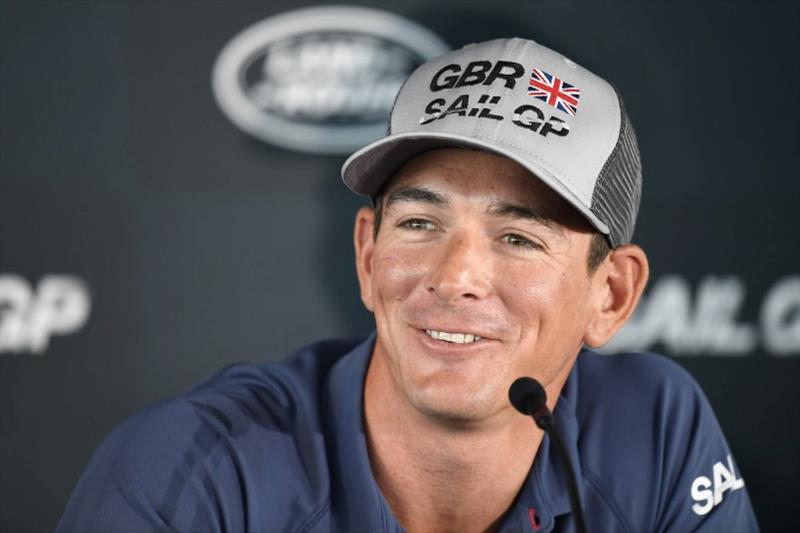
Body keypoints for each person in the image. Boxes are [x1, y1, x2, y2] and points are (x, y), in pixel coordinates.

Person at [57, 38, 758, 533]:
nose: (454, 276)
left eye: (518, 238)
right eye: (421, 222)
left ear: (610, 295)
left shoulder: (654, 429)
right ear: (367, 255)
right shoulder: (192, 470)